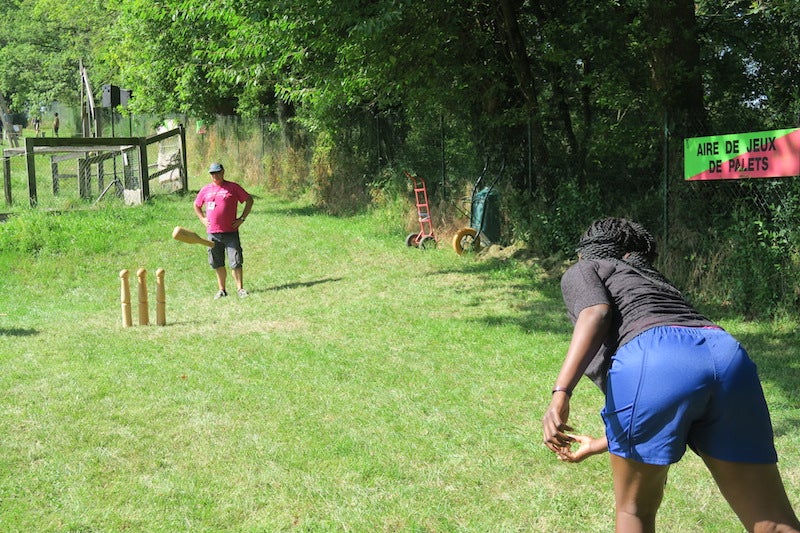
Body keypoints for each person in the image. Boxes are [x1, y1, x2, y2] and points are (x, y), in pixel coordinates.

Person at [542, 217, 799, 533]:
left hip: (653, 354)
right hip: (726, 353)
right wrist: (598, 444)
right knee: (773, 522)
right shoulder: (654, 280)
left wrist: (561, 393)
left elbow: (597, 313)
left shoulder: (586, 268)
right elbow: (677, 392)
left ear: (587, 251)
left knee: (634, 511)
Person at [193, 162, 254, 299]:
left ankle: (240, 289)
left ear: (223, 172)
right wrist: (202, 219)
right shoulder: (205, 190)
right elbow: (196, 205)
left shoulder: (233, 187)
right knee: (217, 262)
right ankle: (222, 290)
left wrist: (242, 219)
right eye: (212, 173)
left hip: (230, 232)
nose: (215, 176)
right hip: (213, 233)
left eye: (218, 172)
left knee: (236, 261)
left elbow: (249, 200)